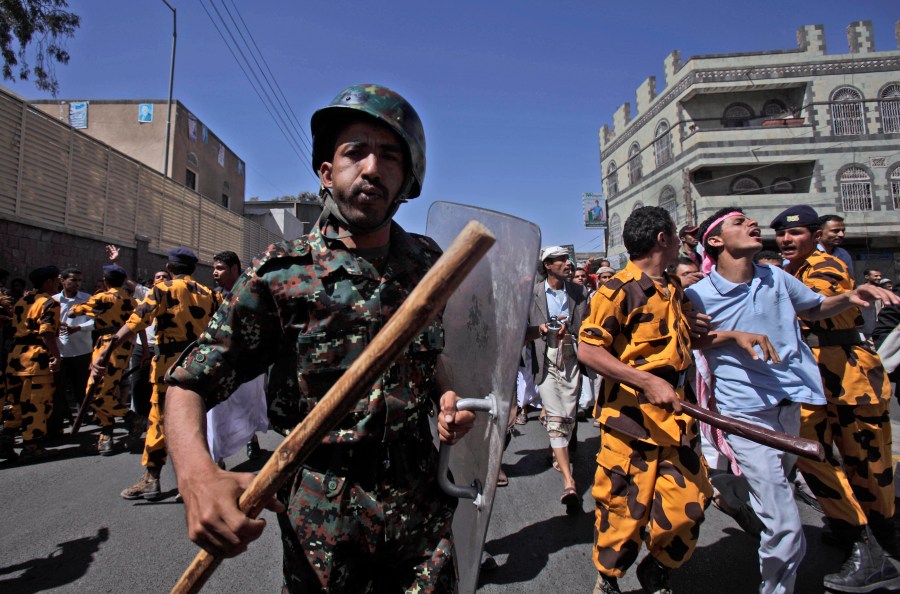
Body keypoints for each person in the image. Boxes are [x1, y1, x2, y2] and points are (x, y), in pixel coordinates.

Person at [164, 84, 475, 593]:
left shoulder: (430, 264)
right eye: (355, 151)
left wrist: (445, 397)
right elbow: (189, 382)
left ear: (407, 178)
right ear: (327, 174)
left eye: (390, 156)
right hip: (323, 511)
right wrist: (197, 474)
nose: (372, 168)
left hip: (422, 502)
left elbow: (435, 355)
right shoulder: (282, 273)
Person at [687, 207, 899, 593]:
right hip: (746, 415)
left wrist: (852, 296)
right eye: (739, 222)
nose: (753, 224)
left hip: (792, 407)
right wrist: (733, 336)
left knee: (780, 490)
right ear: (715, 242)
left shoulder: (776, 276)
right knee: (785, 525)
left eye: (750, 220)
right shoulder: (696, 296)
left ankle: (735, 490)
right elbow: (690, 343)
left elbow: (815, 307)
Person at [578, 207, 712, 594]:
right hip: (631, 422)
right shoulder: (617, 289)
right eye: (675, 233)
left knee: (689, 504)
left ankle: (657, 568)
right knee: (621, 512)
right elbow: (589, 350)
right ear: (662, 238)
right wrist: (644, 381)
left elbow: (678, 345)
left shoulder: (673, 287)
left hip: (677, 417)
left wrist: (733, 338)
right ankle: (608, 579)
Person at [773, 205, 900, 592]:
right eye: (781, 234)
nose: (786, 240)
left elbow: (813, 302)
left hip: (850, 379)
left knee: (868, 466)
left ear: (815, 235)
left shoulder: (824, 266)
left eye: (795, 234)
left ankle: (878, 547)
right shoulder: (791, 270)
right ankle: (855, 530)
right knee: (810, 453)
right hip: (813, 380)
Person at [91, 247, 220, 500]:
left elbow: (135, 323)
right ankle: (192, 483)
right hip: (198, 364)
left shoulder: (162, 290)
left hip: (169, 366)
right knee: (196, 422)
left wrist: (107, 350)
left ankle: (152, 479)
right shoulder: (210, 294)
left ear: (170, 268)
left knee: (159, 420)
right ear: (193, 270)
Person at [526, 245, 589, 513]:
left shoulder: (578, 292)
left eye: (568, 258)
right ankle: (569, 482)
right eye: (561, 260)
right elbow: (521, 332)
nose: (568, 263)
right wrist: (541, 330)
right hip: (546, 361)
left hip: (571, 360)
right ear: (547, 265)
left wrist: (570, 332)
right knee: (556, 417)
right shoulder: (533, 295)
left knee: (569, 415)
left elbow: (586, 327)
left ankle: (558, 450)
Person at [69, 265, 142, 456]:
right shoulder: (131, 300)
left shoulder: (102, 297)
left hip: (109, 344)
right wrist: (144, 348)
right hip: (125, 346)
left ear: (106, 281)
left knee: (95, 391)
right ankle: (106, 432)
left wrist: (77, 309)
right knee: (107, 388)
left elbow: (74, 312)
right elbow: (139, 324)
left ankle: (130, 417)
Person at [205, 250, 269, 466]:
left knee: (248, 405)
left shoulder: (251, 292)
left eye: (220, 268)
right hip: (222, 364)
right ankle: (217, 459)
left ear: (234, 269)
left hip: (249, 364)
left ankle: (251, 438)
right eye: (214, 268)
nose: (215, 272)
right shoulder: (212, 296)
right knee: (216, 412)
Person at [0, 266, 62, 461]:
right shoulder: (49, 303)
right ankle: (31, 445)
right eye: (55, 280)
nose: (57, 284)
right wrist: (56, 356)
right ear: (49, 282)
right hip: (36, 359)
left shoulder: (22, 301)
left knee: (14, 401)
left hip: (16, 357)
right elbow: (46, 332)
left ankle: (6, 440)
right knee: (37, 401)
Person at [49, 267, 94, 436]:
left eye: (79, 280)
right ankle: (59, 422)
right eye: (73, 280)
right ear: (63, 280)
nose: (77, 284)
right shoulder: (53, 300)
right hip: (60, 351)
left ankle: (80, 419)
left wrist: (79, 327)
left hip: (81, 351)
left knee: (81, 388)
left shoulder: (87, 299)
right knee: (58, 390)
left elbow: (95, 322)